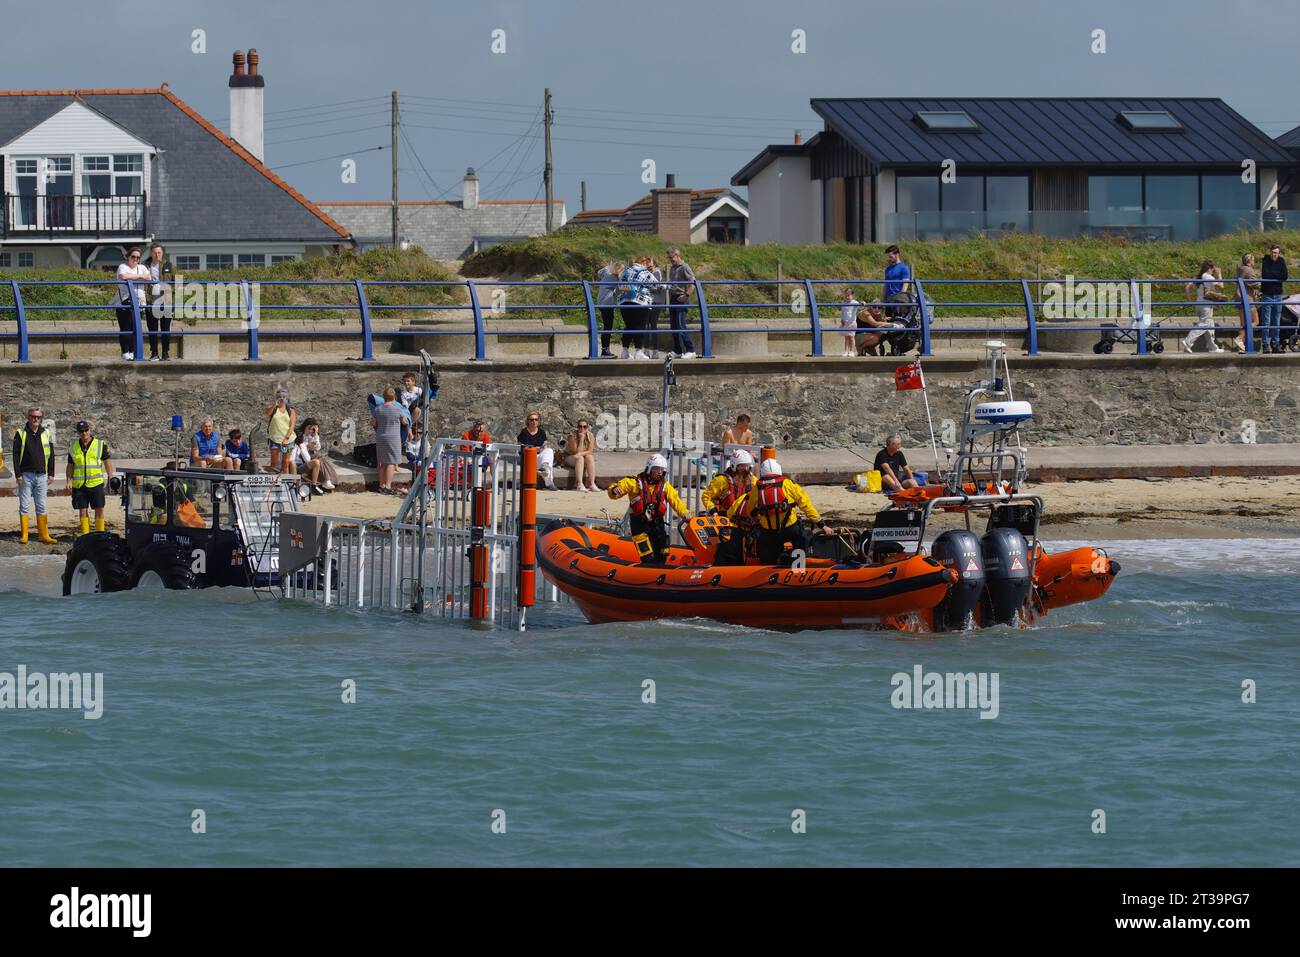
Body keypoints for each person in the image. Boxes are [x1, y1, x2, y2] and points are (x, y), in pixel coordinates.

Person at [729, 459, 834, 566]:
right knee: (803, 538)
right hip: (790, 528)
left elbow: (750, 509)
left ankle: (768, 570)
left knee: (766, 552)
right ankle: (799, 566)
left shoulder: (757, 487)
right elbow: (806, 506)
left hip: (768, 531)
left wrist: (757, 520)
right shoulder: (787, 484)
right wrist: (822, 525)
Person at [607, 453, 690, 563]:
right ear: (649, 468)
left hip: (657, 524)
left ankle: (660, 572)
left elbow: (676, 501)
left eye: (662, 469)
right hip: (639, 525)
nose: (660, 472)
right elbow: (614, 490)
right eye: (657, 469)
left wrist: (685, 513)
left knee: (663, 552)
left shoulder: (665, 486)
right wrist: (614, 490)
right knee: (647, 556)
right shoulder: (634, 482)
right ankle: (648, 571)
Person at [12, 407, 57, 544]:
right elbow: (15, 455)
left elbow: (51, 455)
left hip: (42, 475)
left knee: (41, 505)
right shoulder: (20, 433)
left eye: (38, 417)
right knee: (24, 505)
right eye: (33, 416)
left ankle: (44, 535)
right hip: (26, 475)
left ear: (41, 418)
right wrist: (18, 474)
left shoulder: (46, 433)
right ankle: (24, 535)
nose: (35, 419)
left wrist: (51, 473)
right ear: (28, 417)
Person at [66, 420, 114, 536]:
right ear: (78, 433)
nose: (84, 433)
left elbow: (107, 461)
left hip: (96, 483)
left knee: (99, 509)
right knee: (82, 511)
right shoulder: (73, 446)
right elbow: (70, 465)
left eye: (86, 430)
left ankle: (99, 536)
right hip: (79, 484)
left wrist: (110, 477)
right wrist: (69, 480)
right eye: (81, 431)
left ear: (89, 430)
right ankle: (85, 536)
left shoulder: (99, 444)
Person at [619, 256, 660, 359]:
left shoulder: (625, 271)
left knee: (628, 327)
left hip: (624, 302)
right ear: (644, 263)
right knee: (640, 326)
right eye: (648, 264)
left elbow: (619, 285)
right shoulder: (644, 272)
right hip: (640, 303)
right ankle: (638, 352)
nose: (649, 266)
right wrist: (669, 286)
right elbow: (657, 284)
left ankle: (625, 351)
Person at [114, 247, 151, 360]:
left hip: (139, 301)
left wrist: (135, 277)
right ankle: (125, 352)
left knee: (135, 328)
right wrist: (140, 277)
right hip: (124, 300)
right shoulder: (122, 266)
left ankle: (132, 351)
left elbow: (149, 278)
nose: (135, 259)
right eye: (133, 257)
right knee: (125, 327)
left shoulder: (142, 267)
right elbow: (123, 276)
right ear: (128, 257)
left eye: (138, 257)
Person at [1182, 259, 1225, 353]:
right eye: (1213, 269)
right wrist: (1219, 274)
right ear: (1210, 268)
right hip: (1206, 305)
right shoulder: (1209, 277)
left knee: (1210, 324)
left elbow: (1187, 287)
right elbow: (1222, 286)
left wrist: (1190, 301)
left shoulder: (1199, 277)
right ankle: (1188, 341)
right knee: (1204, 324)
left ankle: (1212, 347)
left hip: (1199, 304)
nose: (1213, 270)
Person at [371, 388, 405, 495]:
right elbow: (404, 422)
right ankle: (388, 486)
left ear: (383, 397)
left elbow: (373, 423)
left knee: (382, 462)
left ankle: (381, 485)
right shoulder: (398, 409)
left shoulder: (378, 409)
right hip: (393, 438)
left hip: (381, 437)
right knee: (391, 462)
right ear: (394, 397)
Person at [666, 248, 698, 358]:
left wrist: (686, 295)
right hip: (673, 297)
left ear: (677, 256)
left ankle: (690, 349)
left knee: (680, 324)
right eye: (669, 258)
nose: (670, 260)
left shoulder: (685, 267)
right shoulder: (673, 268)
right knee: (674, 325)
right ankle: (678, 350)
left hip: (681, 298)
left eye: (672, 258)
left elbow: (693, 282)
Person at [145, 242, 174, 361]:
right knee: (152, 329)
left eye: (159, 253)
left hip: (165, 301)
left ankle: (166, 353)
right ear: (151, 253)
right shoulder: (145, 266)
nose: (157, 255)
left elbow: (177, 282)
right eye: (155, 253)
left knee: (165, 328)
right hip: (150, 301)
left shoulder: (169, 265)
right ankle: (154, 353)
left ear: (162, 253)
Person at [517, 412, 557, 490]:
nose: (534, 421)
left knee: (549, 451)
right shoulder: (524, 432)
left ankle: (543, 468)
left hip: (539, 456)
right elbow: (520, 447)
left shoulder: (541, 432)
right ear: (528, 421)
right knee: (548, 463)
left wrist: (541, 448)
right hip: (528, 456)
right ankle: (549, 483)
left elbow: (545, 445)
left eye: (536, 419)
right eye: (532, 420)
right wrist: (533, 448)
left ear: (538, 421)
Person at [1260, 244, 1288, 353]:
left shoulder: (1281, 261)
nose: (1274, 254)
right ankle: (1265, 344)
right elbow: (1266, 274)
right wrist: (1278, 276)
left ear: (1279, 253)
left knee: (1277, 321)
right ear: (1270, 252)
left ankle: (1275, 345)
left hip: (1278, 295)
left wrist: (1274, 275)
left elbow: (1285, 276)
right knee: (1266, 322)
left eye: (1276, 252)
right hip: (1267, 295)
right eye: (1272, 252)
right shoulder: (1265, 260)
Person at [1234, 252, 1262, 353]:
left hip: (1239, 297)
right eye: (1253, 260)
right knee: (1256, 321)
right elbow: (1255, 283)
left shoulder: (1240, 269)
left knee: (1243, 323)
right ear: (1249, 261)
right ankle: (1240, 338)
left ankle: (1242, 347)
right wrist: (1264, 285)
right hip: (1247, 299)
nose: (1254, 261)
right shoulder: (1249, 270)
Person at [265, 389, 297, 474]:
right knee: (274, 464)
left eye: (284, 397)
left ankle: (285, 482)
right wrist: (274, 405)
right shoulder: (273, 408)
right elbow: (267, 413)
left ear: (287, 398)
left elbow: (292, 426)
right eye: (279, 397)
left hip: (289, 440)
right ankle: (274, 482)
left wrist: (286, 438)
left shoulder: (291, 411)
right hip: (274, 439)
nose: (281, 398)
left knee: (285, 463)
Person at [596, 261, 624, 358]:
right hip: (607, 303)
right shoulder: (614, 278)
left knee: (606, 326)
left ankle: (605, 349)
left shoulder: (606, 272)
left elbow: (599, 273)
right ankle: (605, 350)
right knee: (608, 326)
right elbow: (622, 289)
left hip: (601, 301)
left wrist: (608, 266)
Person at [562, 418, 599, 492]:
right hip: (569, 457)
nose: (582, 428)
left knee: (590, 457)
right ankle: (579, 484)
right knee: (580, 458)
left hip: (580, 456)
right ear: (577, 427)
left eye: (584, 427)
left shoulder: (590, 435)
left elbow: (590, 451)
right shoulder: (572, 436)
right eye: (580, 426)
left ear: (587, 428)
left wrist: (581, 454)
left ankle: (592, 484)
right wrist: (582, 439)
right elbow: (576, 452)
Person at [300, 419, 337, 490]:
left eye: (312, 429)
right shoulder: (301, 434)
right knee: (319, 457)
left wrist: (316, 434)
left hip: (311, 454)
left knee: (321, 459)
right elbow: (300, 445)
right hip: (302, 455)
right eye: (309, 428)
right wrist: (307, 445)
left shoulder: (313, 435)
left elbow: (318, 448)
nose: (311, 430)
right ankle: (327, 481)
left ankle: (327, 480)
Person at [883, 244, 912, 311]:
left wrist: (901, 300)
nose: (889, 258)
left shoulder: (904, 268)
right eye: (888, 256)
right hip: (888, 300)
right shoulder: (888, 269)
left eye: (891, 256)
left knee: (897, 320)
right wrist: (883, 300)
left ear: (897, 255)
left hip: (897, 300)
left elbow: (905, 284)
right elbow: (885, 285)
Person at [838, 287, 863, 356]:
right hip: (845, 322)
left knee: (851, 338)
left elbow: (860, 306)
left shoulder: (854, 302)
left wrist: (862, 303)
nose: (847, 297)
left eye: (849, 295)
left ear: (852, 295)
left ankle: (852, 351)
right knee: (846, 338)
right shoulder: (843, 303)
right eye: (846, 295)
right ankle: (846, 351)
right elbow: (843, 312)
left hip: (852, 323)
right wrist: (842, 319)